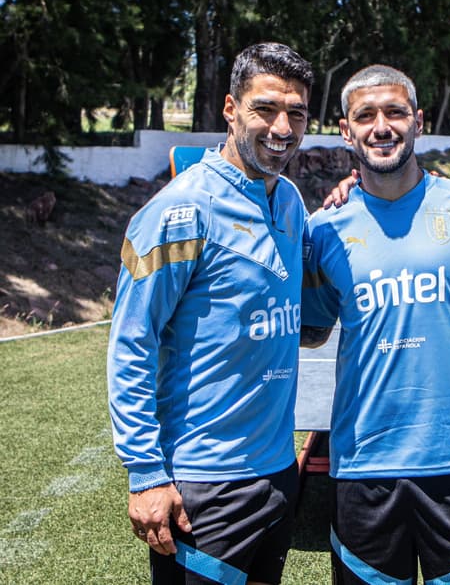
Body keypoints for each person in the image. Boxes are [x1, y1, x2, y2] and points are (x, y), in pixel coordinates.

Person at [300, 64, 450, 585]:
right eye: (366, 115)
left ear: (418, 121)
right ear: (345, 130)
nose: (382, 126)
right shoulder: (322, 228)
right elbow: (310, 331)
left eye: (395, 112)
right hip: (364, 466)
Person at [107, 42, 313, 585]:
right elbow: (131, 343)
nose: (282, 126)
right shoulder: (179, 210)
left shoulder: (290, 200)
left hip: (276, 473)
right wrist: (146, 474)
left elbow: (306, 319)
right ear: (229, 109)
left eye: (296, 112)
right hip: (203, 486)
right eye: (265, 108)